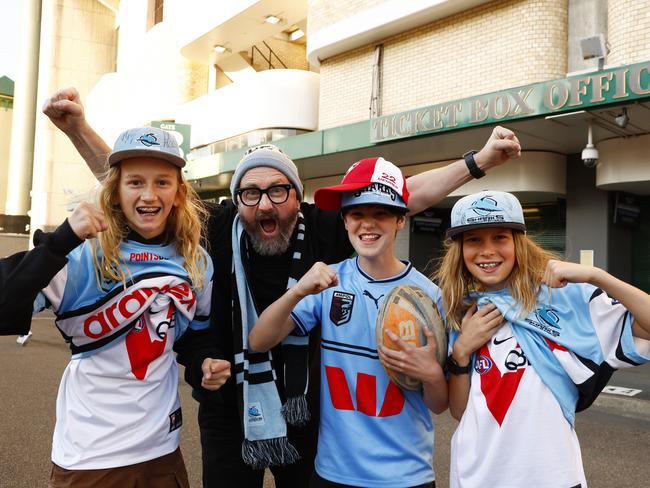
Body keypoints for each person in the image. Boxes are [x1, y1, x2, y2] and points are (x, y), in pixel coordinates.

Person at [42, 86, 521, 488]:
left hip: (307, 407)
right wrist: (76, 129)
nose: (265, 204)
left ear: (298, 196)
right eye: (251, 193)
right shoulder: (220, 227)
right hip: (229, 405)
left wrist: (478, 161)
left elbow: (400, 197)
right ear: (238, 199)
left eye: (279, 191)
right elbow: (138, 187)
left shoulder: (325, 226)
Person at [0, 126, 226, 487]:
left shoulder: (196, 261)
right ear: (116, 193)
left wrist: (204, 362)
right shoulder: (81, 254)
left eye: (162, 183)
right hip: (91, 455)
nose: (149, 195)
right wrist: (58, 244)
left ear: (179, 193)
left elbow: (194, 336)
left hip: (162, 449)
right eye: (135, 182)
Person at [248, 158, 448, 488]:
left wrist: (430, 374)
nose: (367, 224)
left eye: (380, 213)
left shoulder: (428, 297)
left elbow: (439, 405)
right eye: (356, 213)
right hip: (333, 473)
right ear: (344, 221)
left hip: (407, 475)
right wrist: (297, 291)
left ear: (401, 219)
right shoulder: (328, 281)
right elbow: (258, 341)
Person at [434, 190, 650, 488]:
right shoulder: (460, 311)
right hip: (476, 475)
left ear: (518, 243)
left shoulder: (565, 298)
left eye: (500, 237)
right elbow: (460, 412)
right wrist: (460, 353)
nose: (487, 250)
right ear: (460, 250)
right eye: (474, 240)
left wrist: (596, 276)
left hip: (552, 475)